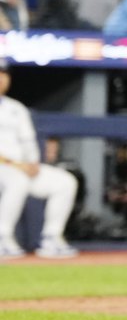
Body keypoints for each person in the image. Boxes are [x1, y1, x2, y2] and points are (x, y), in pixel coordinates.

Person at [0, 57, 80, 259]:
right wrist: (17, 165)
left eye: (4, 74)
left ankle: (51, 238)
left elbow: (28, 142)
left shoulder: (16, 108)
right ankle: (3, 237)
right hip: (7, 168)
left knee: (65, 182)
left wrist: (33, 163)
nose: (1, 78)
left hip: (22, 169)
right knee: (16, 179)